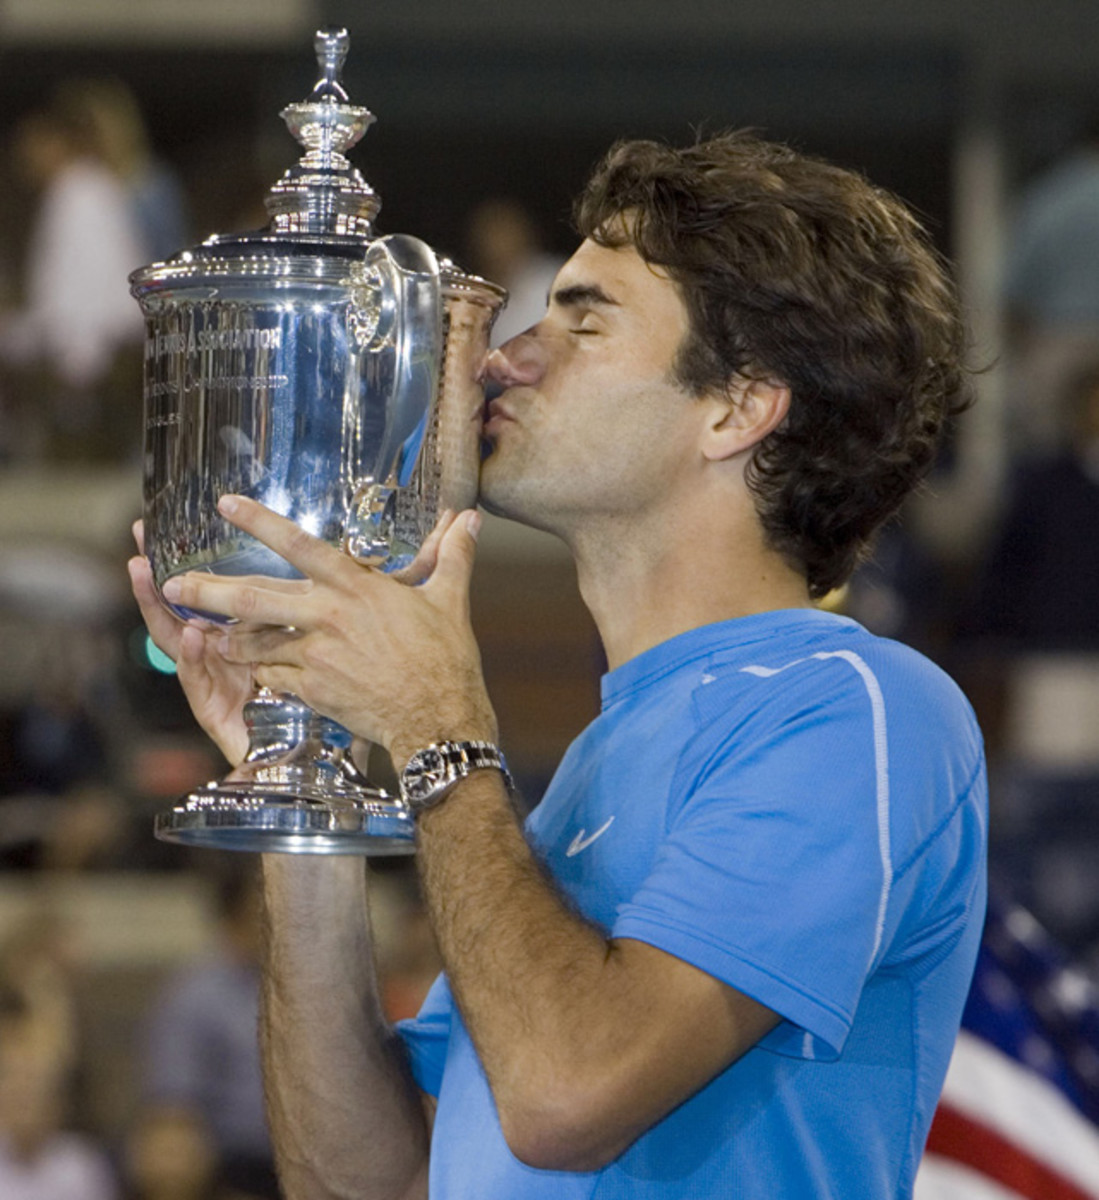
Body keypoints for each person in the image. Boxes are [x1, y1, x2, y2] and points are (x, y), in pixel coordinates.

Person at [130, 131, 988, 1199]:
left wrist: (438, 724)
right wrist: (300, 779)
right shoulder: (593, 760)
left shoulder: (859, 712)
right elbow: (368, 1181)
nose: (504, 355)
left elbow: (566, 1098)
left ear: (736, 408)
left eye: (583, 320)